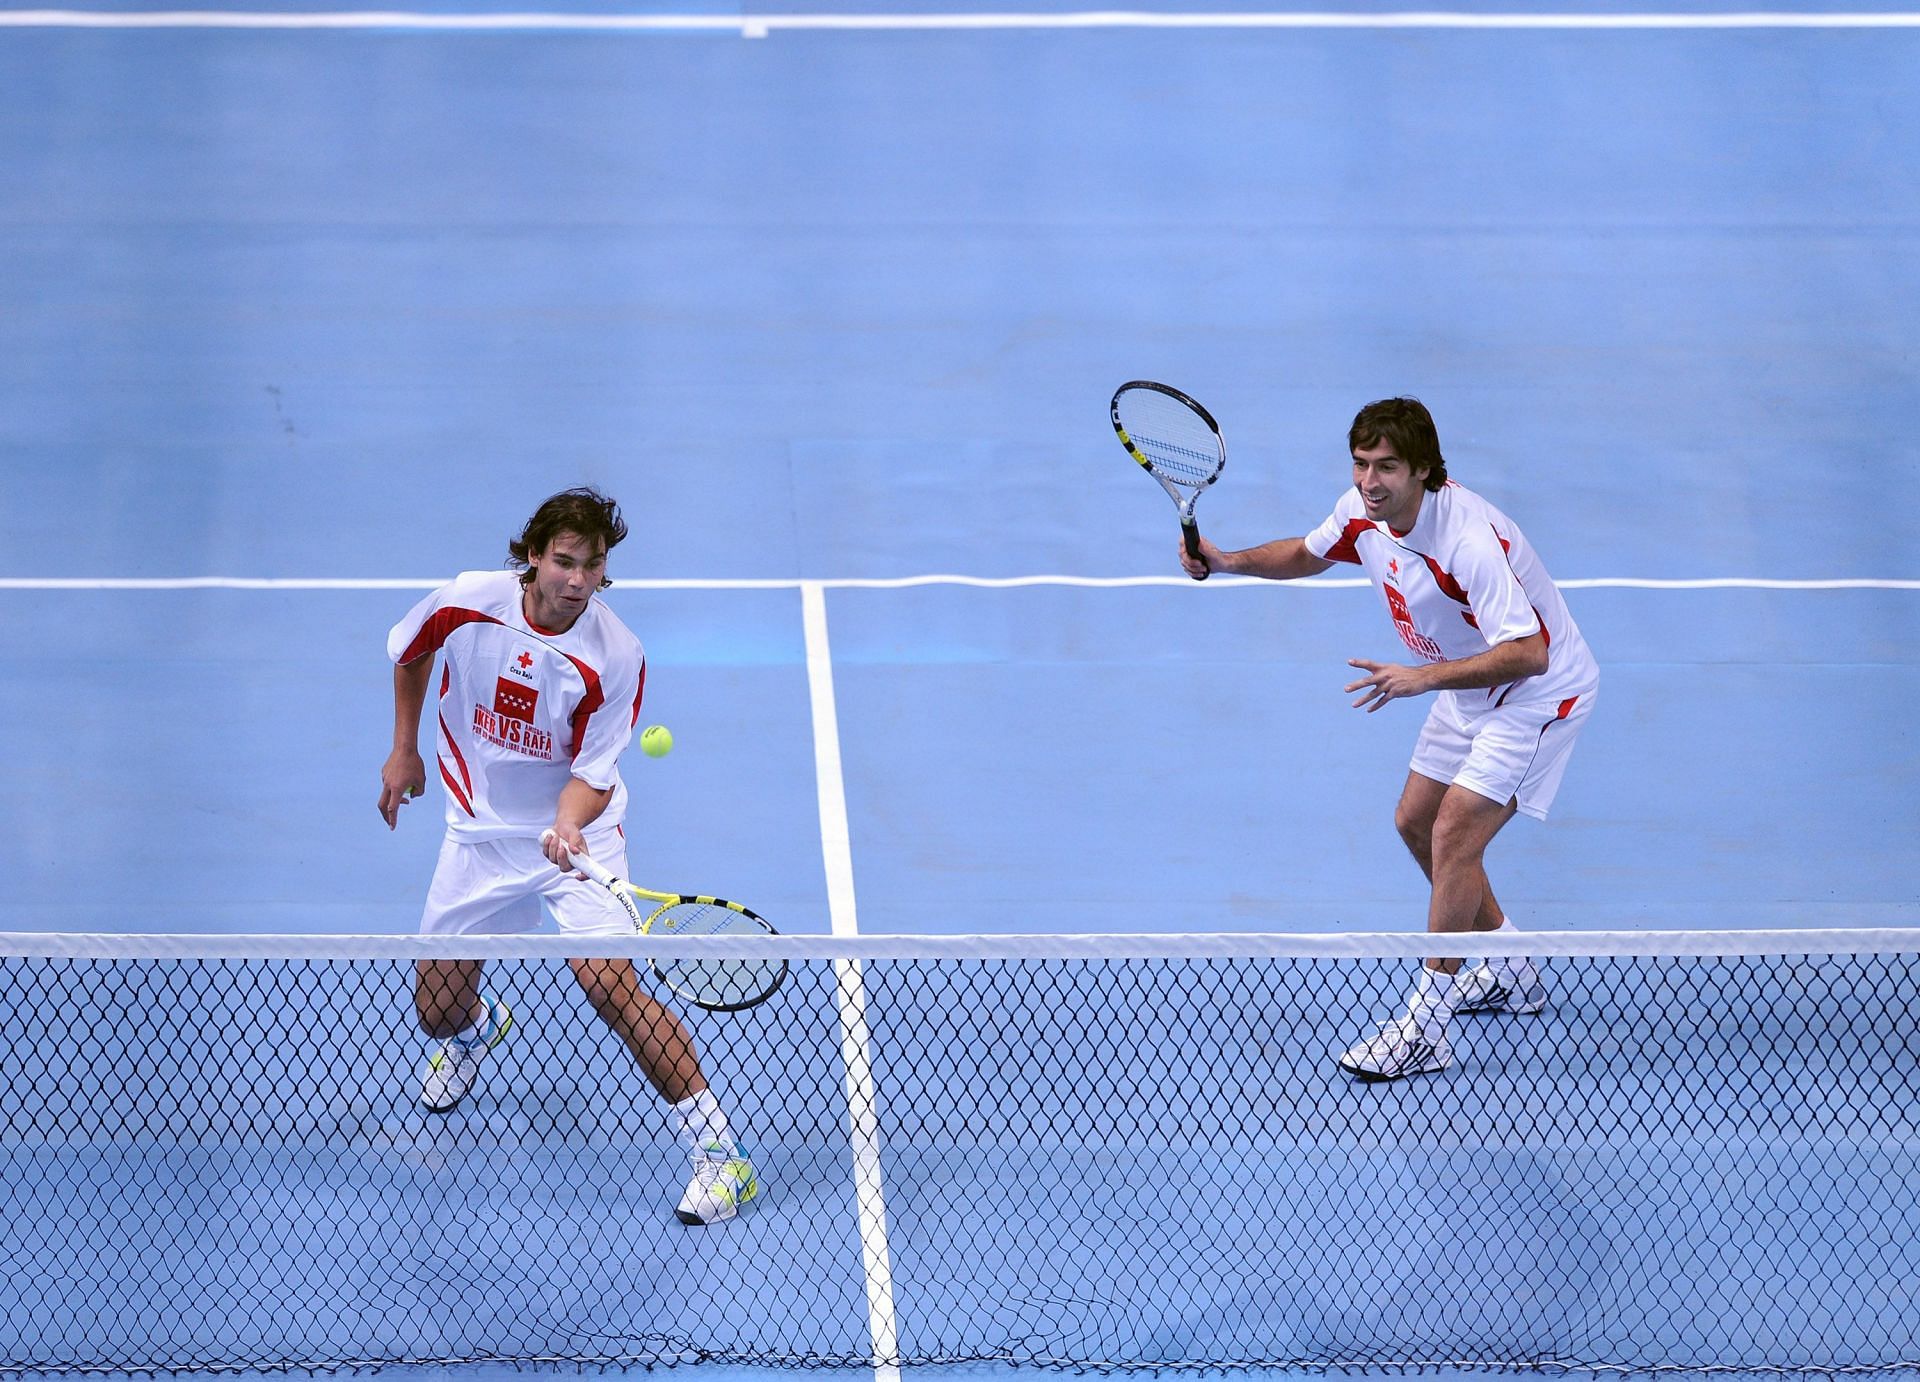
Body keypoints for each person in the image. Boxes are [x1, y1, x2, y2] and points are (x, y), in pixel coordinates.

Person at [1180, 398, 1598, 1081]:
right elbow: (1306, 553)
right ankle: (1511, 967)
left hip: (1535, 696)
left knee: (1455, 833)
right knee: (1414, 822)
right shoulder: (1362, 512)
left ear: (1425, 471)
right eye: (1361, 463)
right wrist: (1226, 561)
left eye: (1387, 468)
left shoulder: (1466, 542)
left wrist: (1423, 678)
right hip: (1464, 686)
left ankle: (1427, 1029)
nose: (1369, 481)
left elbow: (1529, 653)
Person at [378, 486, 756, 1224]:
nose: (578, 580)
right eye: (564, 561)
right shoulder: (466, 601)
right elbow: (410, 652)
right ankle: (478, 1031)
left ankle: (721, 1158)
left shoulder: (615, 656)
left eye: (593, 566)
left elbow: (593, 773)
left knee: (610, 988)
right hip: (478, 836)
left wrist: (568, 826)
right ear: (530, 557)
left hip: (579, 839)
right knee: (436, 1015)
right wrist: (403, 749)